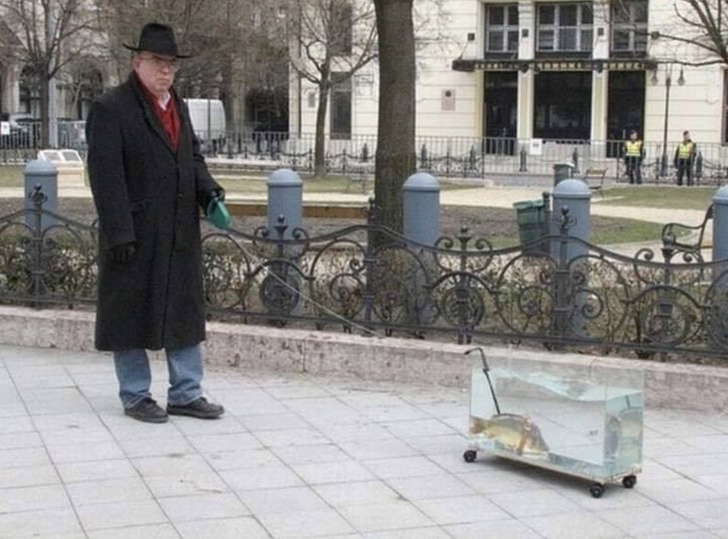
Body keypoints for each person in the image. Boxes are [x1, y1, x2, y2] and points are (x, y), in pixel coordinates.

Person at [86, 22, 225, 423]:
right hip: (134, 232)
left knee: (183, 311)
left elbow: (192, 158)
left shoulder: (177, 106)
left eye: (172, 64)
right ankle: (135, 395)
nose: (166, 70)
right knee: (130, 313)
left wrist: (209, 192)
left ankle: (186, 392)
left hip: (178, 230)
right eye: (157, 61)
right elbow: (105, 176)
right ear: (137, 62)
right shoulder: (111, 108)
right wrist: (118, 232)